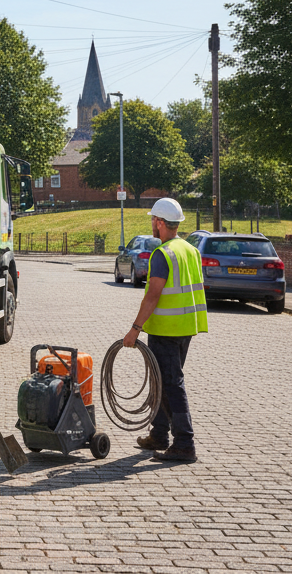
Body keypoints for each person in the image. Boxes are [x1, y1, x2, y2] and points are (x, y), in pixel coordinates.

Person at [122, 197, 208, 463]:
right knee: (163, 383)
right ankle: (159, 434)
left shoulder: (163, 253)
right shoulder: (190, 249)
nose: (151, 224)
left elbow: (153, 295)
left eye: (152, 220)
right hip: (186, 328)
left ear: (159, 223)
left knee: (172, 385)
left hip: (166, 330)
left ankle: (184, 443)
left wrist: (135, 329)